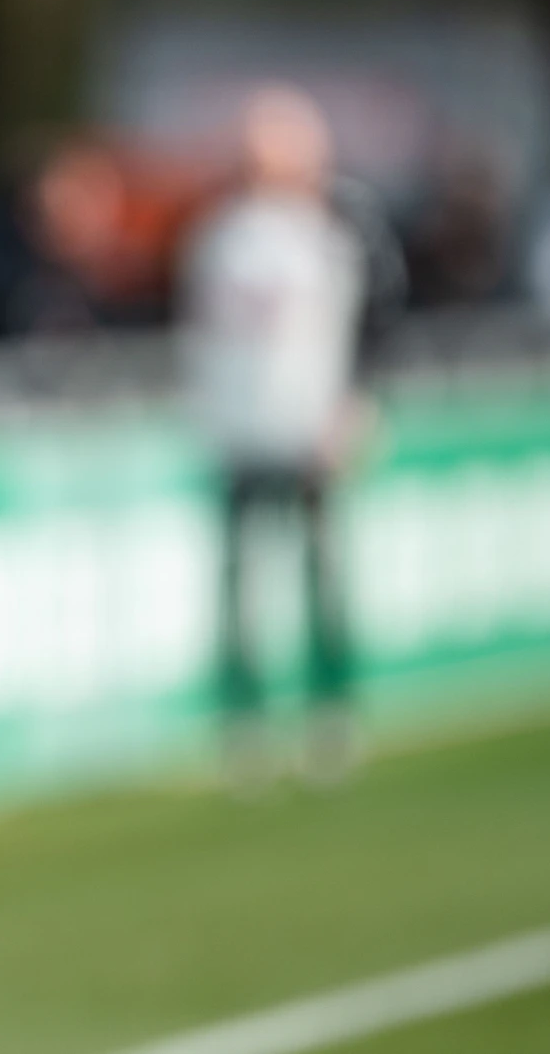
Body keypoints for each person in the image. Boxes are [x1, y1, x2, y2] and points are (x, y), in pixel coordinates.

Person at [180, 85, 366, 784]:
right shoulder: (221, 238)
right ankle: (246, 720)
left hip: (304, 426)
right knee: (242, 585)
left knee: (321, 576)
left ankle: (330, 709)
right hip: (242, 429)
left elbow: (343, 335)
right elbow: (203, 337)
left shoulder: (325, 236)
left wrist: (339, 411)